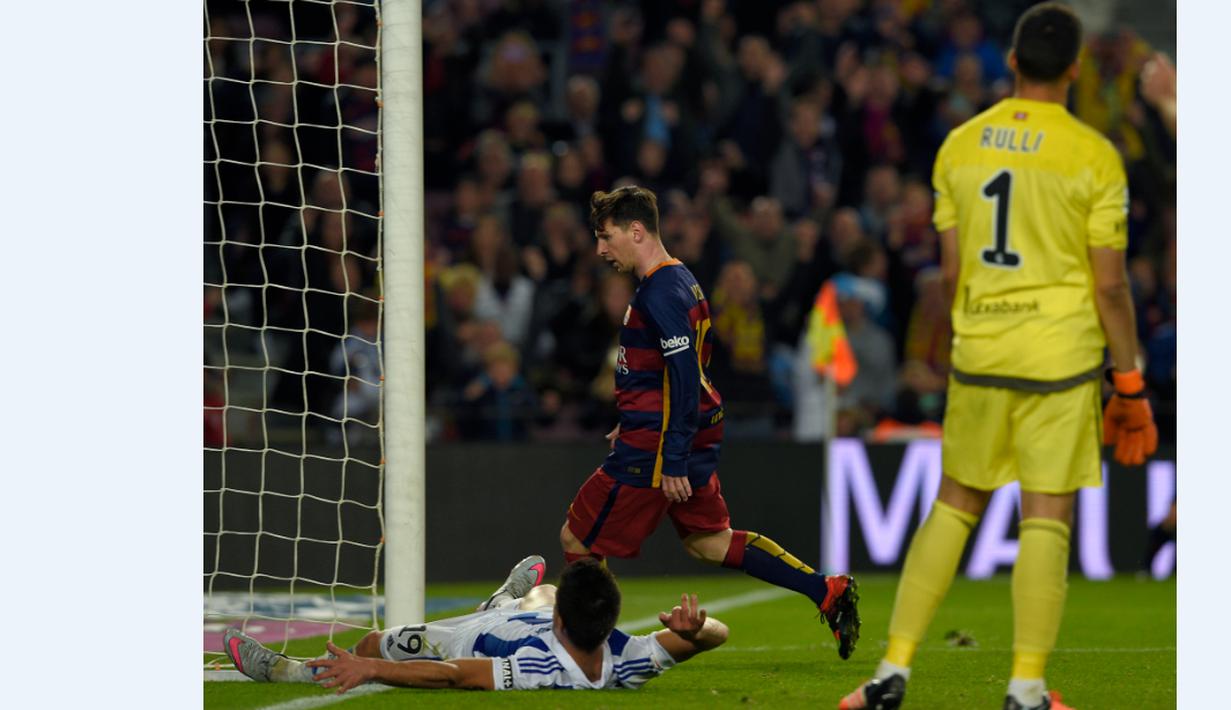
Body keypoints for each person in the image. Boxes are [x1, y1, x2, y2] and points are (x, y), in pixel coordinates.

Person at [839, 5, 1159, 710]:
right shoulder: (1092, 155)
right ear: (1073, 69)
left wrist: (971, 334)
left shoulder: (958, 145)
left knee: (953, 505)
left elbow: (950, 272)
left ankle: (890, 673)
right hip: (1058, 360)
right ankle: (1023, 689)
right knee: (1045, 514)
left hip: (980, 349)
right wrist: (1129, 383)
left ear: (1011, 61)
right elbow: (1109, 284)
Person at [559, 185, 860, 660]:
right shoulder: (684, 280)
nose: (600, 249)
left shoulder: (658, 292)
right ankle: (827, 590)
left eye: (606, 235)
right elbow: (687, 366)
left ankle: (594, 653)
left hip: (658, 448)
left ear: (635, 231)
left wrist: (671, 455)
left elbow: (682, 374)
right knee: (710, 542)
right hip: (677, 430)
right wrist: (637, 413)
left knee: (578, 538)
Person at [224, 557, 728, 692]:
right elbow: (719, 635)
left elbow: (452, 674)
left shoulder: (534, 669)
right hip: (530, 614)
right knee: (547, 587)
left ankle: (286, 671)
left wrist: (370, 668)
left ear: (559, 624)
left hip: (467, 640)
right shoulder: (629, 656)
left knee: (375, 642)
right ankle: (504, 599)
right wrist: (695, 632)